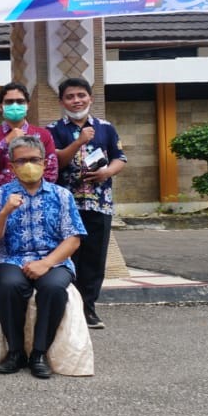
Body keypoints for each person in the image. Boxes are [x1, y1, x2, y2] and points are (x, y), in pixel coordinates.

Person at [0, 136, 86, 380]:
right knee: (9, 285)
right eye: (22, 161)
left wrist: (46, 263)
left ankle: (39, 353)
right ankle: (15, 351)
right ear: (11, 166)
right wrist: (5, 212)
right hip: (12, 259)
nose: (28, 165)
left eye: (34, 159)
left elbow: (74, 239)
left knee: (53, 288)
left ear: (44, 162)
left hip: (54, 260)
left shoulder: (61, 195)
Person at [48, 77, 127, 329]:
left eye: (81, 95)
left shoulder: (106, 128)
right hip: (66, 205)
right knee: (68, 256)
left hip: (99, 204)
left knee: (94, 257)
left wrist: (107, 172)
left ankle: (88, 308)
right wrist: (79, 142)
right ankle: (66, 306)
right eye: (70, 97)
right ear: (62, 102)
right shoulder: (53, 130)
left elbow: (120, 158)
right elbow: (56, 162)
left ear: (90, 98)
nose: (76, 101)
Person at [0, 83, 59, 270]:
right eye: (9, 102)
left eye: (20, 101)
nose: (15, 105)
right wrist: (5, 142)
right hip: (0, 207)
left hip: (38, 207)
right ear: (1, 106)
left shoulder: (42, 135)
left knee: (40, 260)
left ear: (28, 105)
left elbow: (51, 172)